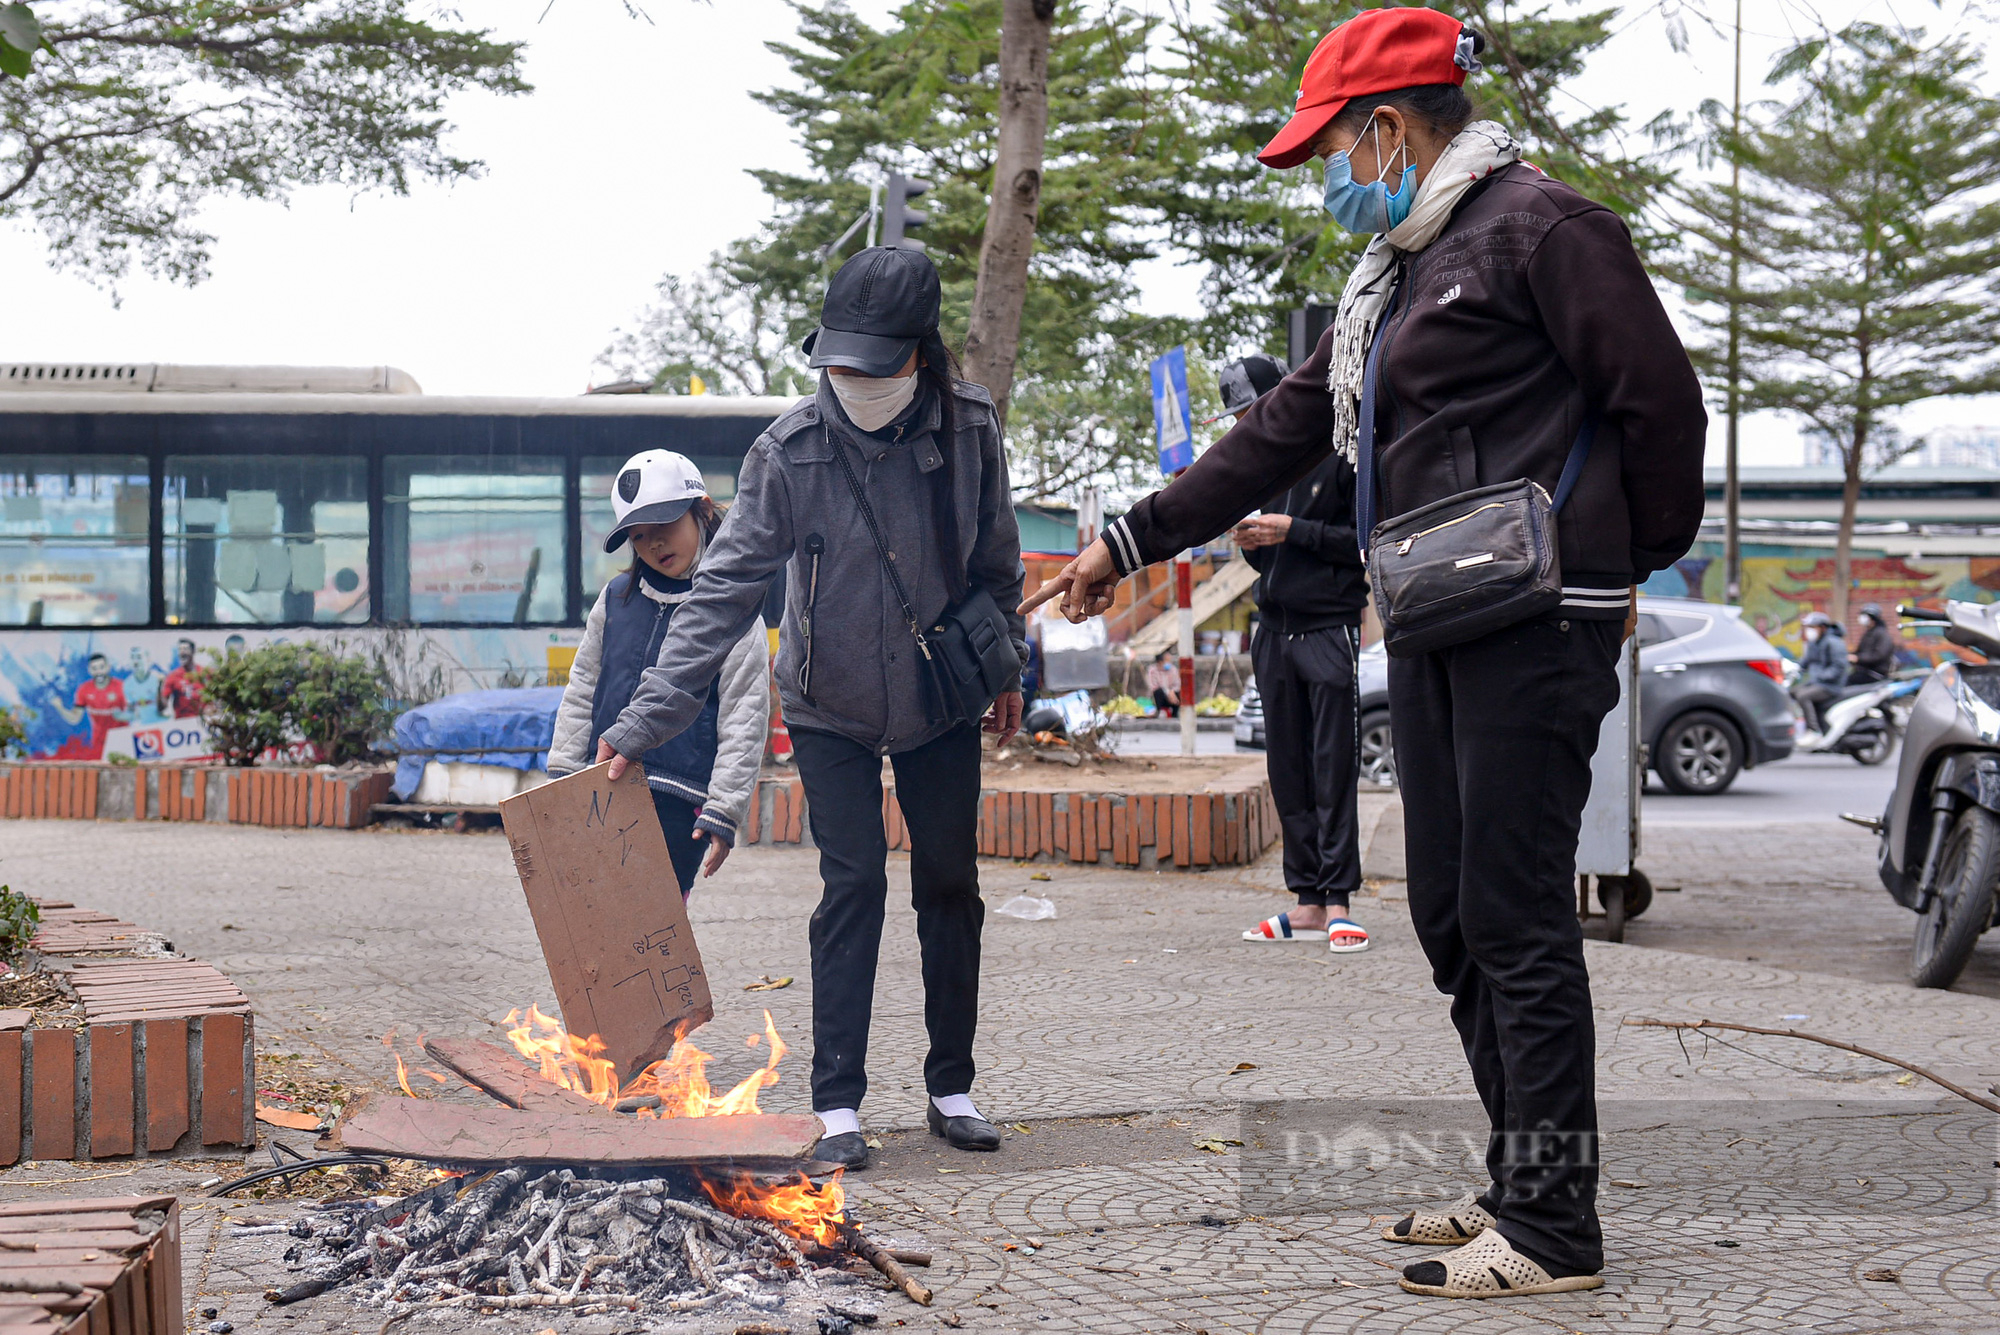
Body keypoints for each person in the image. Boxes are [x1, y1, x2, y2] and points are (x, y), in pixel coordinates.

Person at [1038, 7, 1705, 1299]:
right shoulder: (1397, 275)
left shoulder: (1543, 230)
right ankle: (1521, 1179)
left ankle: (1557, 1228)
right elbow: (1281, 432)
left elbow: (1660, 401)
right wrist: (1130, 538)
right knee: (1454, 913)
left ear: (1388, 129)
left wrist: (1622, 565)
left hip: (1542, 617)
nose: (1325, 180)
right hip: (1448, 613)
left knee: (1513, 912)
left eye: (1329, 150)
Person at [595, 246, 1028, 1172]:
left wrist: (1007, 667)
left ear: (920, 355)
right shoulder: (787, 451)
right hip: (828, 701)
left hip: (940, 693)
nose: (851, 380)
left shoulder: (971, 428)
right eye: (838, 361)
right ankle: (838, 1100)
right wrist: (640, 725)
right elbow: (721, 592)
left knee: (950, 881)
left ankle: (952, 1082)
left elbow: (998, 560)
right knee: (854, 883)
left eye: (872, 364)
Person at [547, 451, 769, 895]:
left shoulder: (734, 611)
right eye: (640, 536)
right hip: (600, 789)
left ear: (702, 510)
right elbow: (582, 690)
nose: (654, 546)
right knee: (592, 924)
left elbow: (745, 716)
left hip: (679, 800)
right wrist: (561, 773)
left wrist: (723, 809)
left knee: (650, 937)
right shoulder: (614, 599)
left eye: (665, 528)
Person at [1223, 354, 1371, 954]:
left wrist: (1292, 530)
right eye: (1237, 418)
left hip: (1329, 628)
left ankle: (1339, 901)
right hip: (1274, 631)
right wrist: (1253, 539)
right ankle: (1307, 901)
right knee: (1286, 770)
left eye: (1252, 411)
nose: (1244, 425)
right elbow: (1272, 562)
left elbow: (1364, 542)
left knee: (1331, 768)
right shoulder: (1261, 468)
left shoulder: (1343, 452)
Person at [1794, 611, 1847, 734]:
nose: (1809, 630)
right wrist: (1795, 668)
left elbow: (1839, 668)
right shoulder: (1814, 643)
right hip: (1817, 683)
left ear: (1822, 628)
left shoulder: (1834, 643)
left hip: (1830, 686)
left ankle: (1813, 730)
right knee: (1792, 692)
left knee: (1803, 696)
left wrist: (1821, 677)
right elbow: (1806, 661)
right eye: (1808, 627)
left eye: (1812, 627)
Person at [1849, 603, 1897, 684]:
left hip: (1874, 674)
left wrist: (1858, 658)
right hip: (1863, 672)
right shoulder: (1869, 633)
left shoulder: (1882, 634)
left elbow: (1879, 655)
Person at [1144, 649, 1181, 717]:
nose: (1170, 663)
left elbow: (1177, 684)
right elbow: (1153, 686)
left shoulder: (1173, 669)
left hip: (1173, 697)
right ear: (1160, 662)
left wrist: (1172, 692)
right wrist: (1168, 692)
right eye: (1167, 661)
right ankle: (1158, 712)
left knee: (1180, 692)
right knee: (1158, 692)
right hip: (1159, 697)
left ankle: (1175, 714)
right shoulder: (1152, 670)